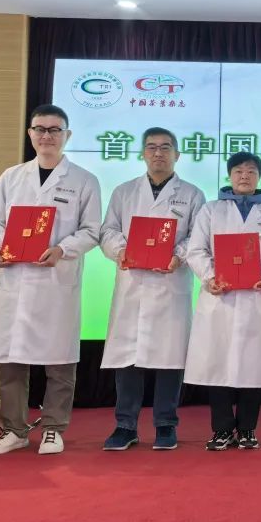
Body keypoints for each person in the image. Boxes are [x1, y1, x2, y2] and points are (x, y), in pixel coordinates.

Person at [0, 104, 102, 455]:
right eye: (40, 129)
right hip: (15, 281)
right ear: (30, 134)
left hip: (55, 282)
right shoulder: (11, 177)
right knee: (11, 359)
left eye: (54, 129)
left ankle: (53, 428)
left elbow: (92, 230)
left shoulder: (84, 180)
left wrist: (63, 249)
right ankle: (14, 430)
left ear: (67, 135)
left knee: (59, 359)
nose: (47, 136)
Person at [99, 127, 207, 452]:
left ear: (177, 154)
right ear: (143, 153)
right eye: (151, 147)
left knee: (170, 358)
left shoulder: (193, 195)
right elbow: (108, 231)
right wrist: (120, 251)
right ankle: (125, 425)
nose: (158, 153)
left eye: (165, 147)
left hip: (170, 284)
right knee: (127, 357)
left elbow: (198, 236)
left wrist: (179, 255)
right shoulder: (124, 192)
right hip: (132, 283)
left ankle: (165, 424)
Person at [183, 151, 261, 451]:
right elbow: (196, 250)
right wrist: (209, 277)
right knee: (217, 364)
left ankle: (247, 428)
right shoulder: (211, 210)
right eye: (239, 171)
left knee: (252, 366)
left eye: (251, 171)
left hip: (256, 297)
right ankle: (221, 429)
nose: (245, 176)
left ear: (259, 177)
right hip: (221, 297)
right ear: (229, 176)